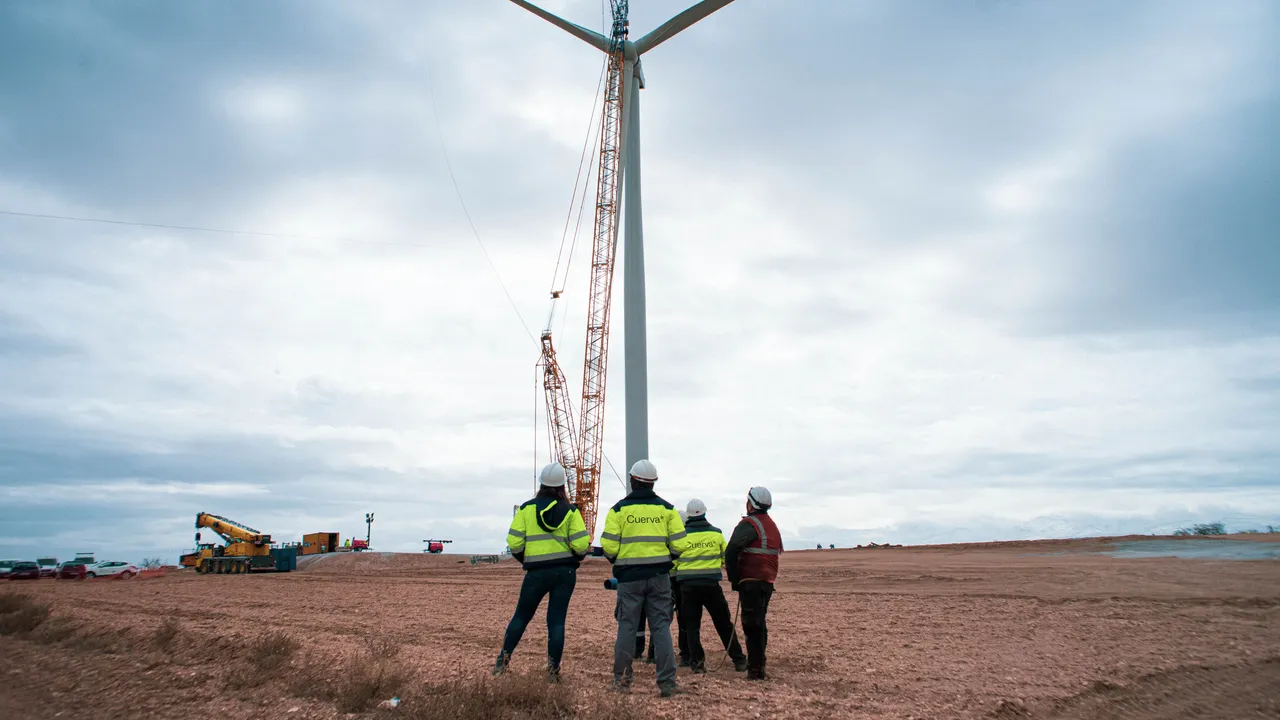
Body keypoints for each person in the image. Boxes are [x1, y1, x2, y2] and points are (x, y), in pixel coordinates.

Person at [601, 459, 690, 697]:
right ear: (653, 483)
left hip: (629, 579)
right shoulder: (668, 510)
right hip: (660, 576)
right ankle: (667, 683)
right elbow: (681, 544)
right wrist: (665, 558)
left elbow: (608, 547)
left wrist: (623, 561)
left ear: (632, 481)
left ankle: (621, 681)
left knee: (627, 628)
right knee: (661, 628)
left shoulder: (618, 510)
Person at [496, 462, 591, 681]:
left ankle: (503, 661)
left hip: (535, 573)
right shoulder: (571, 511)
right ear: (562, 487)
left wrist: (526, 559)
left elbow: (514, 542)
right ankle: (553, 672)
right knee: (556, 622)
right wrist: (575, 559)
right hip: (564, 573)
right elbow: (580, 545)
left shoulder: (526, 509)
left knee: (521, 616)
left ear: (541, 484)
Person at [674, 498, 748, 673]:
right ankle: (739, 660)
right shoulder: (716, 534)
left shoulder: (681, 537)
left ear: (689, 515)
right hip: (711, 586)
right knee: (723, 623)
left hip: (688, 588)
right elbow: (724, 558)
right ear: (705, 513)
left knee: (692, 627)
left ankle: (697, 664)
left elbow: (674, 562)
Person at [725, 486, 782, 680]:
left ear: (750, 503)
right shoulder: (771, 525)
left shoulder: (749, 524)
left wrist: (734, 579)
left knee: (752, 625)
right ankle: (759, 664)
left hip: (750, 581)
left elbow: (731, 550)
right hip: (767, 581)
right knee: (759, 623)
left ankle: (756, 670)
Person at [646, 510, 691, 667]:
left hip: (666, 580)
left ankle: (652, 654)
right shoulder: (682, 539)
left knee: (660, 618)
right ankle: (685, 656)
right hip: (679, 581)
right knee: (683, 619)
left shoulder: (663, 538)